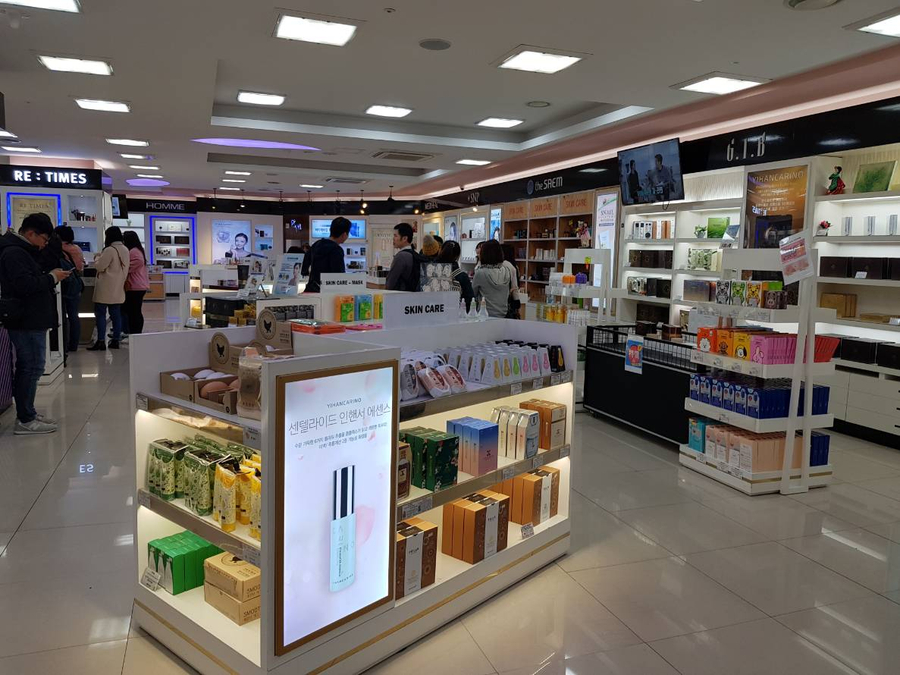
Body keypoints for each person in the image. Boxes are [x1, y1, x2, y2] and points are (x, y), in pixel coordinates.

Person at [0, 213, 71, 434]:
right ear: (31, 233)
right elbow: (25, 285)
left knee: (31, 366)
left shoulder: (21, 251)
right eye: (44, 239)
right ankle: (25, 419)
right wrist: (52, 278)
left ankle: (27, 412)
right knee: (31, 366)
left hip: (29, 318)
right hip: (25, 320)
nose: (44, 244)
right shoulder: (14, 253)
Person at [89, 226, 129, 351]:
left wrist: (97, 257)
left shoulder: (109, 250)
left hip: (105, 287)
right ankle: (115, 340)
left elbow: (100, 266)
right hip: (118, 287)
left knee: (100, 314)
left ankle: (101, 341)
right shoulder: (125, 249)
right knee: (116, 315)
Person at [301, 217, 350, 292]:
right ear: (344, 234)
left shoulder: (317, 244)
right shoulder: (336, 250)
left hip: (311, 288)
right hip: (327, 291)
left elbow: (304, 265)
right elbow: (339, 276)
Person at [57, 225, 85, 352]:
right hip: (75, 284)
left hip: (63, 284)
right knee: (74, 316)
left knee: (62, 316)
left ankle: (63, 343)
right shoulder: (77, 248)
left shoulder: (59, 249)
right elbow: (81, 266)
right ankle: (74, 344)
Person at [472, 239, 515, 318]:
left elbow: (473, 293)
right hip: (504, 315)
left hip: (484, 315)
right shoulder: (507, 271)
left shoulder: (480, 273)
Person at [123, 230, 149, 336]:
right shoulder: (138, 250)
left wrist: (124, 268)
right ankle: (135, 332)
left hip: (135, 286)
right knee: (135, 311)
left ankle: (135, 333)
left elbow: (136, 263)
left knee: (134, 312)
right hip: (139, 286)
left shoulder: (133, 251)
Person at [438, 241, 474, 311]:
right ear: (458, 256)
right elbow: (469, 301)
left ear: (440, 251)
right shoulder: (462, 276)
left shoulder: (431, 271)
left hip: (433, 313)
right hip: (455, 314)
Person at [385, 222, 419, 291]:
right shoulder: (415, 254)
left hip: (401, 295)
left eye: (395, 236)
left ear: (404, 238)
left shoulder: (401, 256)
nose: (393, 239)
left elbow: (390, 283)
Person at [501, 243, 522, 318]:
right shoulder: (514, 266)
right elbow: (515, 286)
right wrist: (517, 301)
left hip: (504, 300)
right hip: (511, 299)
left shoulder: (503, 265)